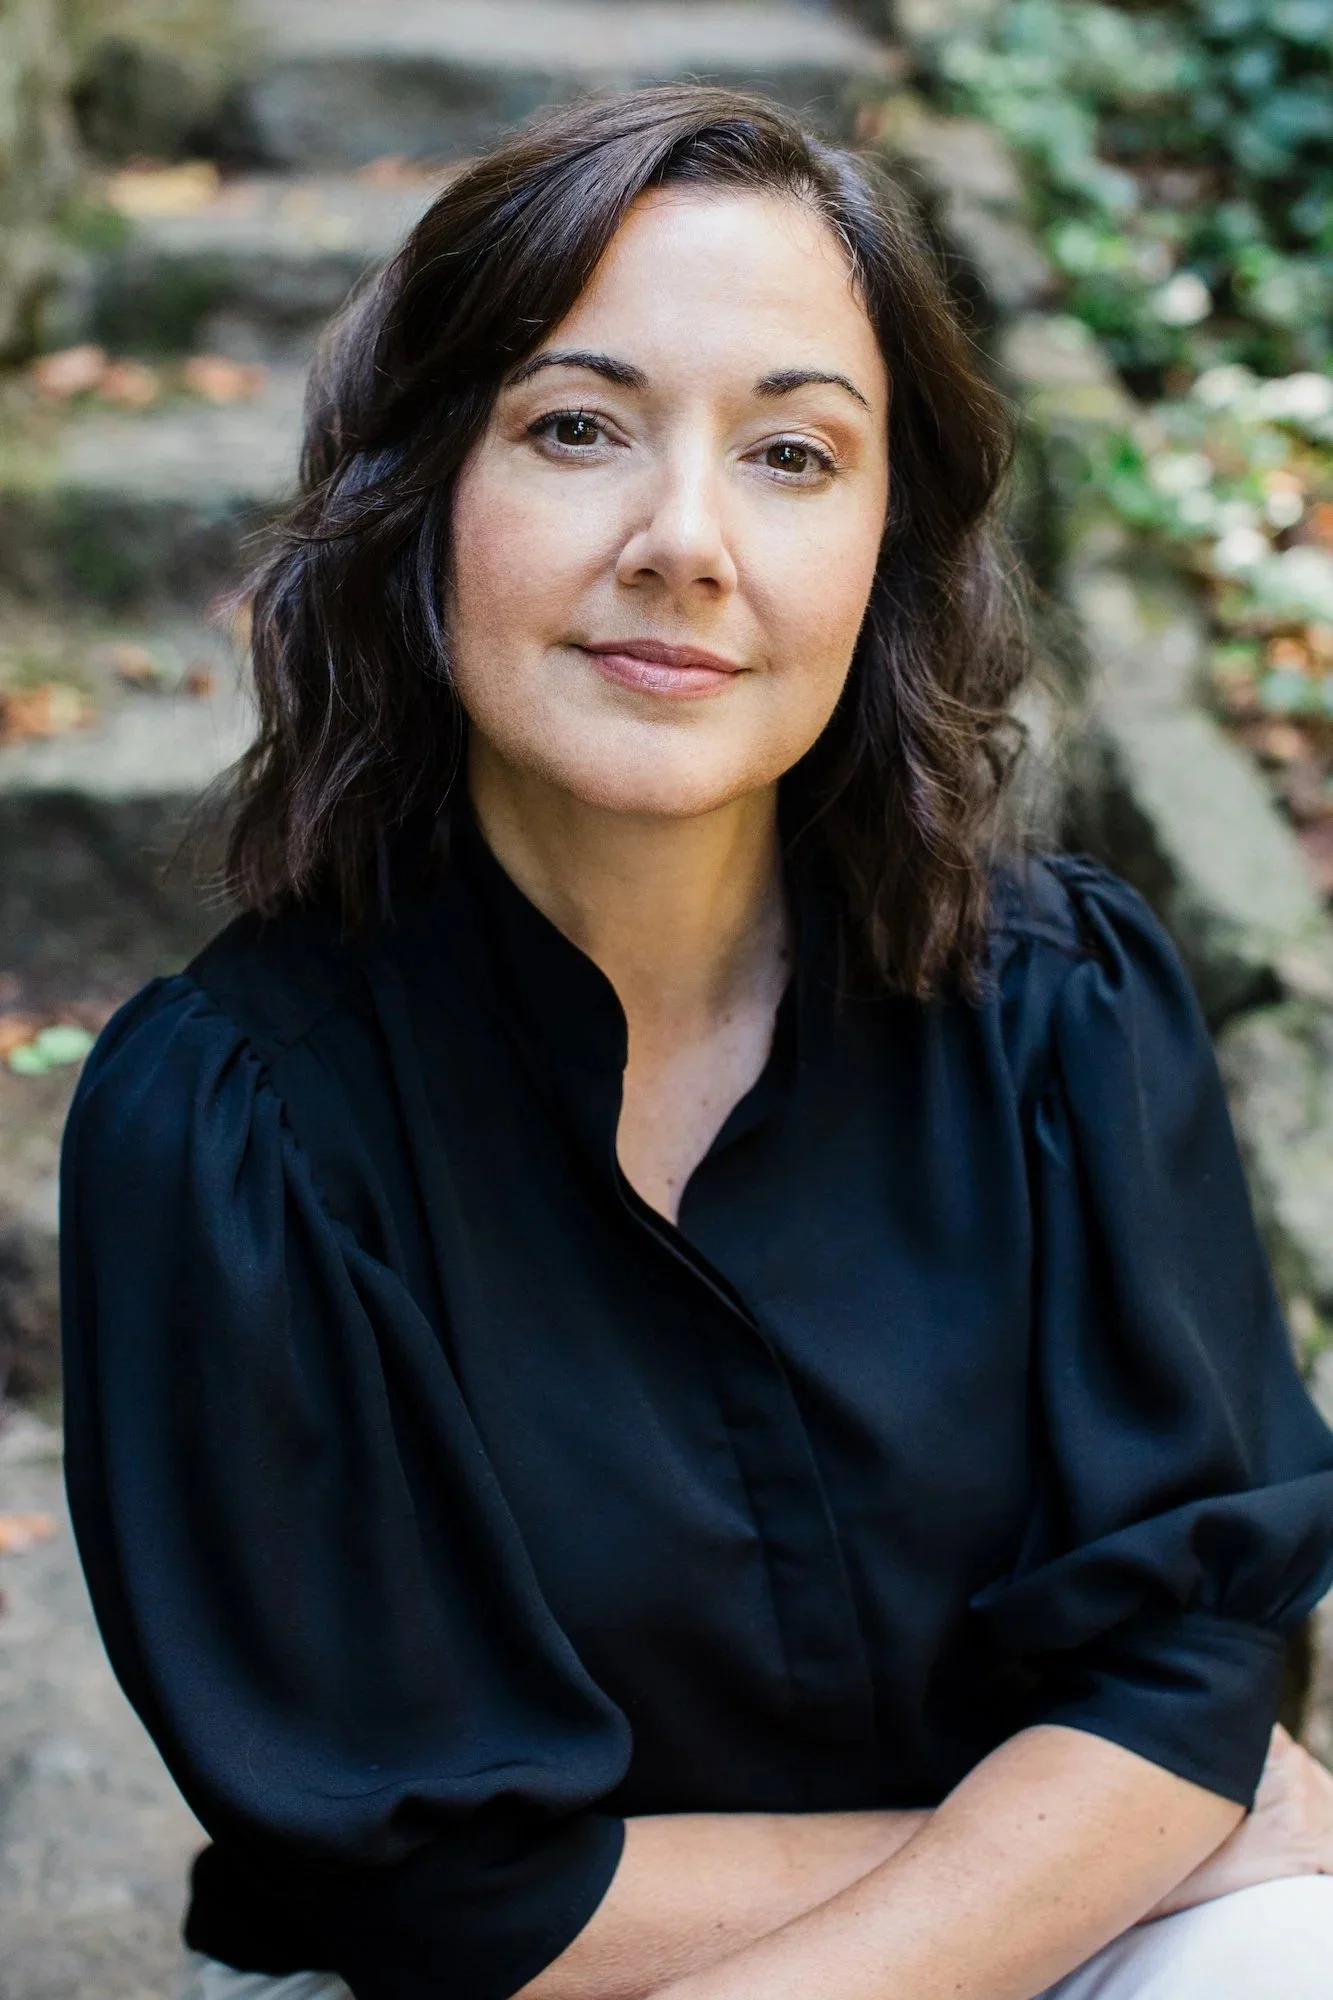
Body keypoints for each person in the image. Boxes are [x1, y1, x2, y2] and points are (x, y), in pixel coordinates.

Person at [59, 85, 1333, 2000]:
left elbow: (1191, 1658)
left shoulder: (1064, 1006)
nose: (684, 541)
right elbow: (434, 1880)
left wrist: (1130, 1830)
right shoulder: (230, 1129)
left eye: (794, 458)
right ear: (421, 505)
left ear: (892, 539)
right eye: (576, 429)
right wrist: (1076, 1840)